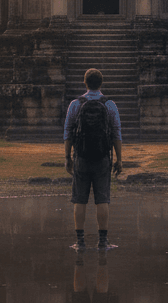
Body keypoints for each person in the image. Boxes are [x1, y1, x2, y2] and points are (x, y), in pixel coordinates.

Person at [64, 67, 122, 250]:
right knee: (102, 199)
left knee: (79, 199)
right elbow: (116, 133)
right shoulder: (110, 105)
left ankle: (80, 242)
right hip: (103, 157)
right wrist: (119, 159)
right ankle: (103, 241)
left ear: (85, 83)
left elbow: (68, 132)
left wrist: (67, 157)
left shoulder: (76, 104)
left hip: (81, 156)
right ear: (101, 83)